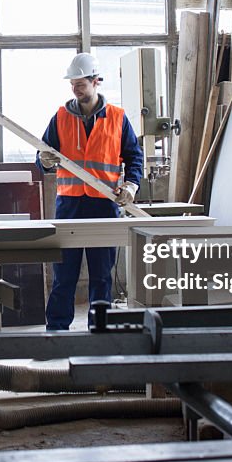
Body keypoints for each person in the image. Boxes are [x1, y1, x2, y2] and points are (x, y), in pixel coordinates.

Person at [36, 52, 144, 330]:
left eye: (80, 84)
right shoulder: (60, 117)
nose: (75, 89)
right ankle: (56, 330)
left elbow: (134, 157)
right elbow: (43, 157)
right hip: (69, 206)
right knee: (64, 275)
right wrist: (44, 160)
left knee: (101, 276)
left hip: (103, 205)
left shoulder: (118, 118)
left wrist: (131, 185)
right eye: (72, 84)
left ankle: (100, 330)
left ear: (96, 81)